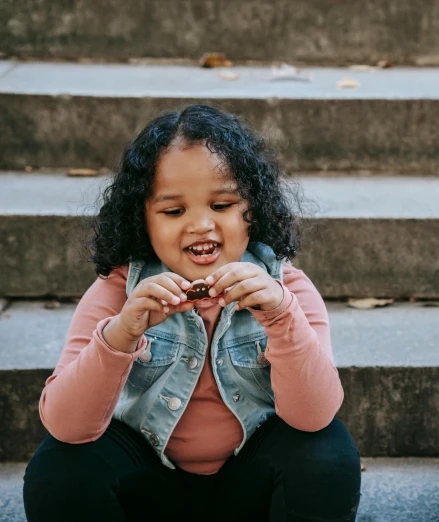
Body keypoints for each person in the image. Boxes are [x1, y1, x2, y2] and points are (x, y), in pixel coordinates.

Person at [23, 105, 362, 522]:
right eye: (173, 211)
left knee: (326, 452)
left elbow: (314, 417)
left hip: (248, 486)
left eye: (222, 205)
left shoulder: (285, 288)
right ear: (142, 220)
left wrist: (281, 317)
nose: (201, 224)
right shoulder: (118, 289)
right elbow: (65, 426)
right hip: (150, 486)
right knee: (59, 470)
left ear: (251, 209)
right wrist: (121, 334)